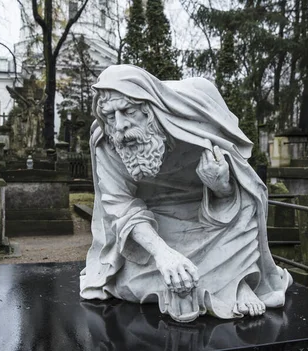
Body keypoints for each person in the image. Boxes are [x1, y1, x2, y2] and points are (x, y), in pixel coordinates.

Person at [80, 65, 292, 323]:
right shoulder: (108, 140)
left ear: (149, 107)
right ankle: (225, 285)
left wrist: (220, 185)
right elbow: (120, 206)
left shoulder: (195, 117)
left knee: (248, 206)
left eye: (128, 111)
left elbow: (244, 190)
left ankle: (237, 280)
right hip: (151, 230)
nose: (120, 126)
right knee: (139, 275)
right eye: (110, 115)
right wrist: (163, 254)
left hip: (206, 221)